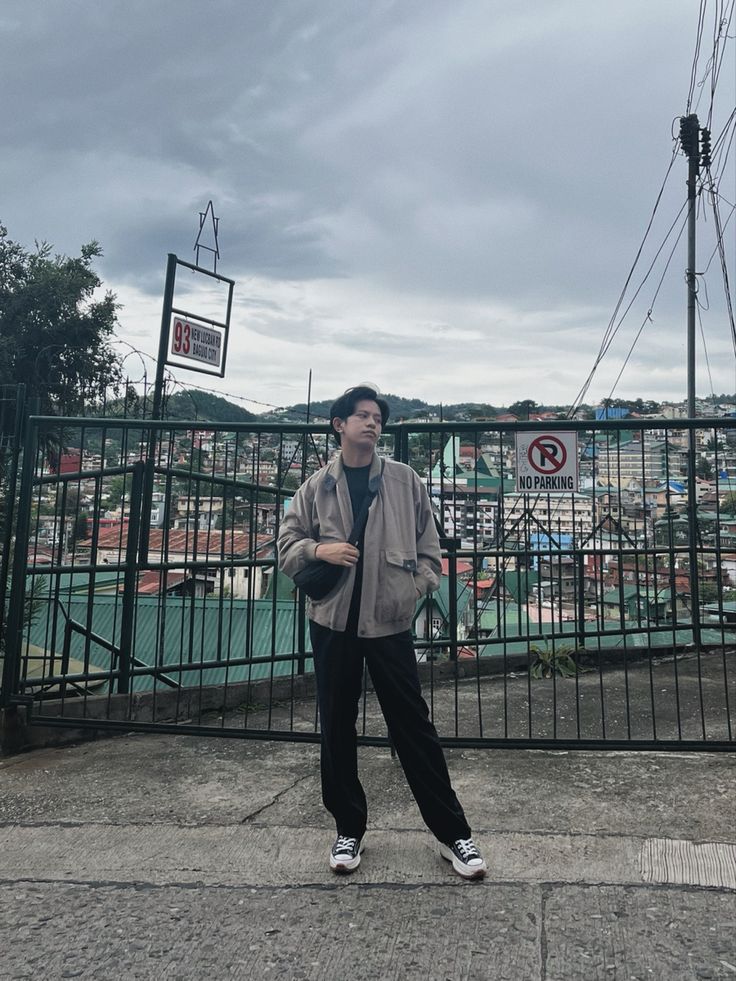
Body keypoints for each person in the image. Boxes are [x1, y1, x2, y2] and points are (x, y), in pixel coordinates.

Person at [277, 384, 486, 880]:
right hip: (332, 623)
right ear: (339, 425)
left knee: (414, 728)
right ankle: (348, 827)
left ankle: (454, 834)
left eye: (377, 417)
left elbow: (430, 549)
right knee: (337, 728)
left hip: (389, 623)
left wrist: (412, 589)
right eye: (362, 416)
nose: (371, 423)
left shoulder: (403, 480)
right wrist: (318, 551)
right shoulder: (316, 487)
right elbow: (286, 544)